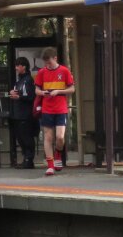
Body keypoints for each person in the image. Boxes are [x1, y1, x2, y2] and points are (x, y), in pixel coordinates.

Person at [34, 47, 75, 176]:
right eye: (46, 63)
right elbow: (37, 90)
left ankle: (58, 153)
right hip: (47, 108)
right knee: (48, 136)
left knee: (60, 137)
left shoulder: (64, 71)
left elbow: (72, 88)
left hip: (61, 108)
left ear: (55, 58)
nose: (48, 65)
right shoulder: (41, 72)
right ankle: (50, 165)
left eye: (50, 62)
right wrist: (42, 93)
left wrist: (59, 92)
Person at [7, 57, 37, 169]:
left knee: (26, 137)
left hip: (26, 114)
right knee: (20, 137)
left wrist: (18, 97)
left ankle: (29, 159)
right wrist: (12, 93)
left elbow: (31, 97)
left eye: (17, 66)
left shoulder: (28, 80)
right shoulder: (19, 81)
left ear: (23, 66)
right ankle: (26, 158)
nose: (16, 68)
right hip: (18, 114)